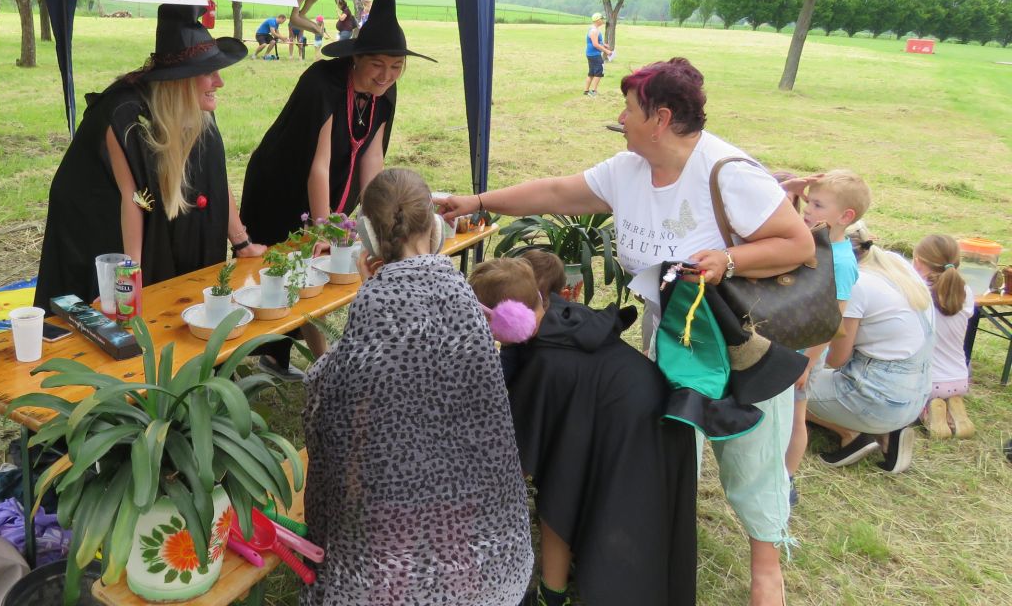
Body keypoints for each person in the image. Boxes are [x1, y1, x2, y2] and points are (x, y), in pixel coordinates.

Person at [437, 57, 814, 606]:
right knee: (674, 450)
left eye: (629, 108)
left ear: (661, 118)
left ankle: (766, 570)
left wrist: (728, 260)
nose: (620, 117)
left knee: (751, 459)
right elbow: (557, 192)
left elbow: (797, 243)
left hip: (740, 341)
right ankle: (660, 553)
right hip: (675, 340)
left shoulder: (729, 173)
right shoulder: (629, 170)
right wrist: (478, 203)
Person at [301, 168, 533, 606]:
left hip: (389, 518)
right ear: (436, 227)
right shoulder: (462, 293)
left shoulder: (376, 300)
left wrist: (369, 292)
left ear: (369, 239)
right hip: (470, 516)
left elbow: (332, 402)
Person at [470, 256, 696, 606]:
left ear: (505, 318)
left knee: (560, 487)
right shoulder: (562, 319)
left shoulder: (546, 363)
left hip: (638, 431)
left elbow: (521, 464)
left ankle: (552, 594)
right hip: (650, 411)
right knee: (564, 476)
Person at [240, 0, 433, 367]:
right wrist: (322, 228)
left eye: (396, 67)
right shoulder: (322, 83)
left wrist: (379, 220)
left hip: (330, 187)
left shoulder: (386, 93)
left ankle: (320, 363)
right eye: (377, 64)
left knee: (319, 271)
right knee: (287, 271)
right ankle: (275, 355)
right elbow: (318, 163)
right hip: (281, 186)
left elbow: (372, 157)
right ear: (356, 58)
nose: (386, 76)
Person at [33, 4, 264, 309]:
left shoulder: (198, 110)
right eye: (209, 73)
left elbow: (216, 180)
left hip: (145, 209)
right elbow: (135, 199)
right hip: (95, 216)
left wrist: (242, 243)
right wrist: (129, 278)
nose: (219, 82)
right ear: (182, 80)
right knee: (116, 308)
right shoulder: (125, 118)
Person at [806, 221, 935, 473]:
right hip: (916, 397)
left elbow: (836, 359)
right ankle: (887, 434)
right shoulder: (896, 265)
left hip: (878, 400)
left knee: (785, 389)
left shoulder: (856, 285)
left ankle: (852, 434)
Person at [781, 169, 869, 503]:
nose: (808, 209)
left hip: (804, 355)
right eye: (809, 201)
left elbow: (833, 318)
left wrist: (807, 362)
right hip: (786, 346)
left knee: (795, 417)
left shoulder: (841, 262)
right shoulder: (810, 241)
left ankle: (785, 480)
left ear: (845, 217)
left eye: (818, 205)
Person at [912, 234, 976, 439]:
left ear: (917, 262)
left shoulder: (917, 292)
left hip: (928, 381)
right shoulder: (965, 291)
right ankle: (952, 408)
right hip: (960, 377)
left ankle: (927, 411)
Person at [584, 12, 613, 98]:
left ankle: (586, 91)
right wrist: (606, 51)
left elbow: (597, 42)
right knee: (599, 72)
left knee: (592, 73)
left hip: (592, 54)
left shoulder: (594, 29)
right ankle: (594, 91)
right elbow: (595, 44)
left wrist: (604, 44)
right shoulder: (594, 30)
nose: (603, 20)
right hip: (594, 54)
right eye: (601, 19)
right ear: (597, 20)